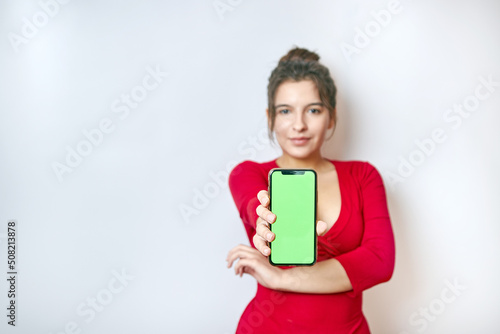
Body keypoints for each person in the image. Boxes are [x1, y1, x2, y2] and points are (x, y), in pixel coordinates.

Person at [226, 47, 395, 334]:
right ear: (270, 118)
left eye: (313, 110)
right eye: (285, 111)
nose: (299, 125)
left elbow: (379, 262)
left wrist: (282, 279)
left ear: (331, 117)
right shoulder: (249, 174)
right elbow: (257, 210)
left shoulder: (363, 176)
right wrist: (264, 223)